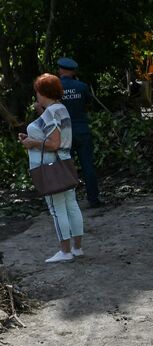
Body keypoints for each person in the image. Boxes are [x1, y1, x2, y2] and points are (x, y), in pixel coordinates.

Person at [18, 74, 85, 263]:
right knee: (71, 205)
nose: (36, 95)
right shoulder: (60, 108)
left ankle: (64, 252)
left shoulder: (51, 112)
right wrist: (33, 138)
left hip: (50, 165)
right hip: (64, 162)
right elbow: (54, 136)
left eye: (37, 92)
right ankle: (77, 248)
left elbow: (53, 143)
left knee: (57, 209)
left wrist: (32, 143)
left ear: (43, 92)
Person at [57, 57, 103, 208]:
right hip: (82, 130)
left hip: (64, 133)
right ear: (73, 71)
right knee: (88, 166)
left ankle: (70, 202)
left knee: (66, 167)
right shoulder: (82, 86)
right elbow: (88, 105)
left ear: (60, 70)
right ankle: (93, 199)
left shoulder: (55, 88)